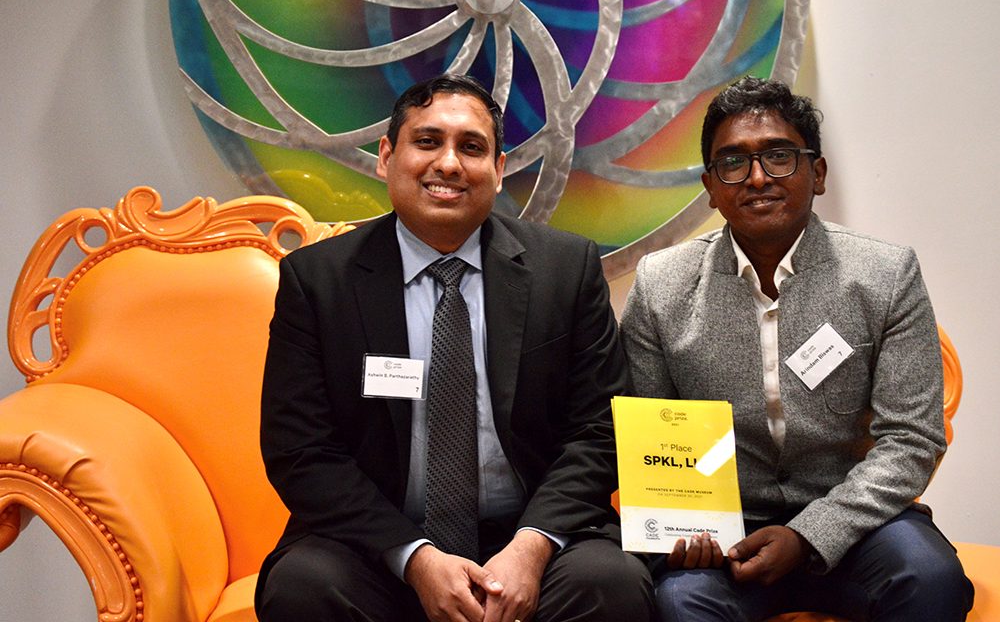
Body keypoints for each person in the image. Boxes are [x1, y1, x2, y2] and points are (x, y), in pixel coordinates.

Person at [255, 73, 653, 622]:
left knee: (611, 584)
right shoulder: (318, 281)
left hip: (529, 537)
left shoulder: (566, 269)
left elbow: (600, 430)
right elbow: (301, 450)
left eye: (471, 147)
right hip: (379, 545)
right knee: (304, 586)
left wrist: (531, 548)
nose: (448, 164)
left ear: (499, 168)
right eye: (427, 142)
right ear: (386, 157)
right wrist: (414, 558)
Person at [620, 76, 974, 621]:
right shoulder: (660, 285)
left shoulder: (885, 274)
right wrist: (680, 530)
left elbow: (911, 439)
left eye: (779, 156)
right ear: (710, 186)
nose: (758, 177)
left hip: (859, 522)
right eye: (733, 162)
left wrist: (809, 535)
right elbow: (649, 437)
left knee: (931, 579)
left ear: (819, 173)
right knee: (679, 602)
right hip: (726, 537)